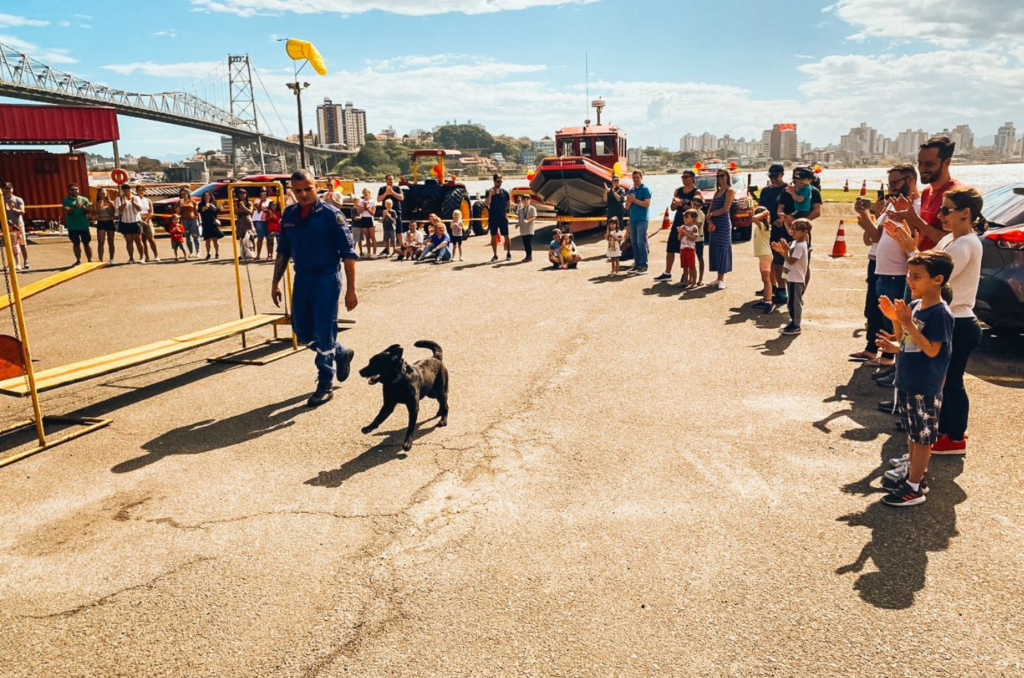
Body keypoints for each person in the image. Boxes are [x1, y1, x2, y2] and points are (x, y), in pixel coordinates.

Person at [886, 186, 985, 455]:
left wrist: (910, 250)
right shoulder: (951, 240)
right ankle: (939, 431)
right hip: (949, 317)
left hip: (959, 321)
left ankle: (954, 437)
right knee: (940, 382)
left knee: (951, 382)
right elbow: (930, 268)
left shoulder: (965, 244)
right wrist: (911, 248)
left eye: (946, 210)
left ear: (966, 213)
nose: (940, 215)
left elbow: (935, 276)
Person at [271, 168, 357, 407]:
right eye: (298, 191)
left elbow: (348, 255)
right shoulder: (289, 215)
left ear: (316, 187)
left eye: (308, 189)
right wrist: (275, 282)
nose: (304, 194)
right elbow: (283, 251)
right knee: (302, 331)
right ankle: (340, 352)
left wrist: (351, 290)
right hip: (303, 279)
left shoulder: (332, 215)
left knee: (323, 330)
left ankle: (325, 383)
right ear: (292, 191)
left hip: (327, 279)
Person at [876, 250, 955, 507]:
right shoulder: (915, 306)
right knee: (912, 434)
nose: (910, 280)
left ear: (937, 279)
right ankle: (915, 477)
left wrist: (907, 324)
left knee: (922, 438)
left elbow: (932, 350)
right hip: (909, 380)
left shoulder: (940, 314)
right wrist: (895, 333)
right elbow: (909, 343)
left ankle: (914, 488)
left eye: (917, 276)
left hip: (925, 386)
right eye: (910, 275)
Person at [852, 164, 920, 367]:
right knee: (879, 314)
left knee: (895, 319)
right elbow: (875, 237)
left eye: (895, 183)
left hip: (898, 272)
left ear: (910, 180)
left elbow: (917, 237)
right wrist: (865, 215)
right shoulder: (892, 205)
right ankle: (880, 355)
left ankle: (890, 360)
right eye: (889, 183)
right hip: (882, 269)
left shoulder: (917, 205)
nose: (891, 188)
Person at [890, 135, 959, 251]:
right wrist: (907, 221)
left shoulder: (955, 194)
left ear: (947, 162)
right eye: (920, 163)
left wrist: (917, 221)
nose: (921, 169)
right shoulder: (927, 192)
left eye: (929, 164)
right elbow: (921, 233)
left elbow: (954, 241)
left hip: (939, 266)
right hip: (921, 264)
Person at [655, 170, 700, 282]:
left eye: (686, 177)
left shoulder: (696, 192)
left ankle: (686, 274)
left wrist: (682, 204)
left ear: (692, 178)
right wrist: (675, 204)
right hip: (678, 221)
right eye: (682, 177)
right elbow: (672, 208)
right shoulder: (678, 191)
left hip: (689, 224)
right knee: (671, 247)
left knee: (686, 249)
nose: (684, 179)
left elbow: (696, 210)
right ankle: (667, 273)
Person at [772, 218, 811, 335]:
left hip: (796, 279)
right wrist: (781, 250)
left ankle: (796, 325)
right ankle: (792, 322)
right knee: (790, 302)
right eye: (792, 229)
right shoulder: (795, 243)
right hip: (791, 277)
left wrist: (783, 250)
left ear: (805, 232)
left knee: (795, 303)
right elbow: (788, 256)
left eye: (796, 230)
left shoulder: (800, 246)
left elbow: (790, 260)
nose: (792, 232)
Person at [706, 169, 734, 289]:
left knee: (723, 248)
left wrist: (712, 215)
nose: (720, 178)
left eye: (722, 176)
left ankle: (722, 279)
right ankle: (717, 278)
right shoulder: (716, 192)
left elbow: (725, 208)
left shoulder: (730, 190)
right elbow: (710, 208)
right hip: (714, 223)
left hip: (723, 223)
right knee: (715, 248)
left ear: (727, 177)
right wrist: (709, 220)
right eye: (718, 176)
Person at [625, 170, 651, 274]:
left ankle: (644, 264)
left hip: (642, 219)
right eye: (634, 177)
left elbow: (647, 204)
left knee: (641, 242)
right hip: (633, 219)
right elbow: (627, 206)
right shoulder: (631, 190)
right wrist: (629, 201)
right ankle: (637, 263)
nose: (635, 179)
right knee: (634, 242)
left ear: (641, 178)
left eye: (637, 177)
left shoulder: (645, 189)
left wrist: (634, 200)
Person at [62, 183, 93, 265]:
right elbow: (66, 211)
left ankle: (89, 260)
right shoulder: (66, 200)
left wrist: (85, 208)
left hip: (83, 225)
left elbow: (89, 211)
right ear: (69, 191)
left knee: (86, 243)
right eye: (72, 189)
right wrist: (75, 206)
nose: (75, 191)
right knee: (76, 244)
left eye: (76, 189)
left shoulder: (84, 199)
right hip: (73, 226)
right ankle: (78, 260)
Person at [115, 184, 147, 264]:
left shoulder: (136, 198)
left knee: (138, 240)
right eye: (124, 190)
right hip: (125, 222)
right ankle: (131, 258)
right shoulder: (119, 198)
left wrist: (133, 203)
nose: (126, 192)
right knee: (129, 241)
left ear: (130, 190)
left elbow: (140, 208)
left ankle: (141, 257)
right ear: (122, 190)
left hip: (136, 221)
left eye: (128, 190)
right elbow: (118, 210)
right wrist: (125, 203)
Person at [3, 182, 29, 270]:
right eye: (6, 188)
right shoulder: (1, 199)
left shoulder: (18, 199)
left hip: (18, 225)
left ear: (12, 189)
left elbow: (22, 211)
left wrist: (12, 209)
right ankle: (12, 263)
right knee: (11, 245)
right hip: (7, 226)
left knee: (22, 244)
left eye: (9, 188)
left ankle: (26, 261)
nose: (7, 190)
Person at [751, 206, 773, 310]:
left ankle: (768, 301)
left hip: (765, 255)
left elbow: (754, 218)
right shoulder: (759, 227)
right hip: (762, 256)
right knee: (764, 279)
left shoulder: (764, 226)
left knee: (766, 279)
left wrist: (765, 212)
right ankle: (765, 299)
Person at [485, 173, 511, 262]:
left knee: (506, 235)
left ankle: (508, 253)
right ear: (494, 181)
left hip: (502, 217)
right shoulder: (489, 191)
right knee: (493, 236)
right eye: (498, 181)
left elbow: (508, 203)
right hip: (493, 217)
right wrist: (490, 195)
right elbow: (486, 204)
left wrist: (505, 211)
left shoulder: (505, 192)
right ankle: (495, 255)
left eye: (501, 181)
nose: (499, 183)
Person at [92, 188, 117, 264]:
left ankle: (111, 259)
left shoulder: (111, 202)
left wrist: (112, 207)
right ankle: (100, 259)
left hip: (109, 222)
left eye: (104, 193)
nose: (102, 195)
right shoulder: (95, 203)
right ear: (98, 195)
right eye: (100, 194)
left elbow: (113, 215)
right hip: (101, 222)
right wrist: (99, 207)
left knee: (111, 242)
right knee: (101, 242)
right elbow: (95, 214)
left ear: (106, 194)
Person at [677, 209, 700, 288]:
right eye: (684, 217)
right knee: (685, 266)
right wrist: (680, 233)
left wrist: (686, 233)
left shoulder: (694, 227)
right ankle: (686, 281)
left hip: (690, 249)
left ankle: (694, 282)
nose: (685, 219)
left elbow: (694, 238)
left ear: (693, 218)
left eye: (687, 217)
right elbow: (679, 238)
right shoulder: (683, 226)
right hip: (683, 248)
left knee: (692, 266)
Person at [136, 185, 160, 262]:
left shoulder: (148, 200)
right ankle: (146, 256)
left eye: (142, 190)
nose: (141, 192)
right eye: (139, 190)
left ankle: (156, 255)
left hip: (147, 221)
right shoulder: (135, 200)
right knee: (143, 241)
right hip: (139, 221)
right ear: (136, 191)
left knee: (151, 239)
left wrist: (146, 220)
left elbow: (151, 212)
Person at [176, 188, 201, 259]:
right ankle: (191, 252)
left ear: (187, 194)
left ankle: (198, 252)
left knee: (196, 236)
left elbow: (196, 211)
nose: (183, 195)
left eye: (184, 194)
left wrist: (199, 220)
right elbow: (178, 213)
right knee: (188, 237)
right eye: (182, 194)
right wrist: (180, 206)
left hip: (193, 219)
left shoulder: (192, 201)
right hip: (184, 220)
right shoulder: (180, 202)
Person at [378, 174, 404, 239]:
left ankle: (401, 246)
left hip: (396, 211)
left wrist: (392, 192)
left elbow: (401, 198)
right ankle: (387, 248)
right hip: (386, 212)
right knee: (387, 230)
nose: (390, 181)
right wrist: (386, 193)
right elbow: (378, 199)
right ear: (386, 180)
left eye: (392, 179)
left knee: (399, 230)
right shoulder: (382, 189)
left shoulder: (397, 188)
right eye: (389, 179)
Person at [199, 191, 223, 259]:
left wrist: (214, 207)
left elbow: (218, 210)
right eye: (205, 196)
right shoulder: (201, 204)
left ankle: (217, 252)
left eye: (208, 195)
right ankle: (208, 253)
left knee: (215, 239)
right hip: (206, 223)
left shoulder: (214, 203)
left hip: (213, 223)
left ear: (210, 196)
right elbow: (200, 211)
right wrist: (205, 206)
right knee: (207, 239)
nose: (207, 197)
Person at [516, 194, 537, 262]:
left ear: (529, 200)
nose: (526, 201)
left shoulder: (532, 208)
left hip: (529, 229)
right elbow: (520, 218)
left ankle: (529, 256)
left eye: (527, 199)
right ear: (522, 201)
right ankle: (527, 256)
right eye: (524, 199)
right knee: (525, 243)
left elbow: (534, 217)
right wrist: (518, 224)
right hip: (523, 229)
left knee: (528, 243)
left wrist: (528, 220)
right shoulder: (520, 209)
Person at [252, 187, 272, 260]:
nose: (264, 193)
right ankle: (258, 255)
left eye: (265, 191)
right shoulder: (257, 200)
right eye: (262, 191)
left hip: (268, 220)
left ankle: (269, 255)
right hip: (259, 221)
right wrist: (261, 201)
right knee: (260, 238)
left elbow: (272, 209)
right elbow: (259, 210)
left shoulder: (270, 200)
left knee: (269, 238)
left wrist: (266, 208)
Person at [357, 188, 377, 258]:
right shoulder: (360, 201)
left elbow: (373, 213)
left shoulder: (372, 202)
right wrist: (363, 208)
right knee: (367, 237)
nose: (365, 194)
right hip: (363, 219)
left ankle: (374, 253)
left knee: (372, 237)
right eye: (364, 193)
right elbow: (358, 212)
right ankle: (368, 252)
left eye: (367, 192)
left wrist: (367, 208)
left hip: (370, 219)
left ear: (369, 193)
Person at [234, 189, 254, 259]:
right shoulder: (237, 203)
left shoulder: (249, 203)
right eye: (240, 194)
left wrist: (243, 206)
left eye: (244, 194)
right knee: (241, 238)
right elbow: (236, 212)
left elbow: (250, 212)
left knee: (250, 237)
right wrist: (238, 207)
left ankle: (251, 253)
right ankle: (242, 254)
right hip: (240, 221)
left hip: (247, 220)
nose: (242, 195)